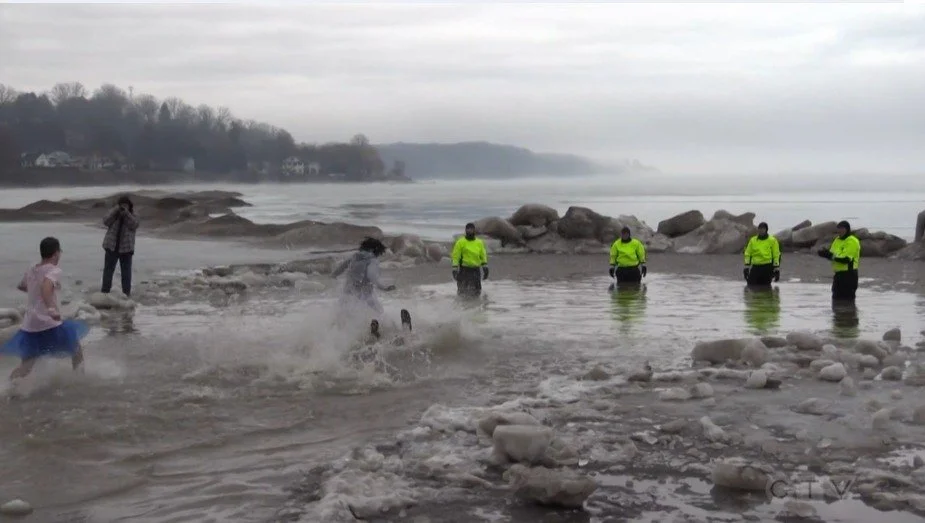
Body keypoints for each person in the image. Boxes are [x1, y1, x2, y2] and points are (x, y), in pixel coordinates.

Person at [2, 237, 89, 382]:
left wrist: (37, 292)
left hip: (30, 324)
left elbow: (22, 286)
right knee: (76, 348)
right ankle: (80, 380)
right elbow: (46, 287)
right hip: (48, 321)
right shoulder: (54, 270)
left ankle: (7, 387)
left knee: (27, 363)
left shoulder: (32, 268)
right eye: (59, 252)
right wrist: (51, 308)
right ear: (56, 253)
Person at [331, 237, 396, 315]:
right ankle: (378, 324)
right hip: (364, 294)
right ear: (377, 251)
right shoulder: (372, 260)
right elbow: (371, 275)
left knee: (344, 312)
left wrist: (333, 275)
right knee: (379, 311)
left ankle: (338, 325)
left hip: (348, 292)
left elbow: (341, 267)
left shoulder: (354, 257)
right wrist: (383, 287)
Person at [101, 195, 140, 297]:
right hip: (112, 246)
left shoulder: (133, 215)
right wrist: (116, 211)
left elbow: (135, 225)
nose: (123, 207)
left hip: (126, 248)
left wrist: (126, 214)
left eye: (125, 205)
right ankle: (105, 293)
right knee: (108, 271)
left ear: (129, 206)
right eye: (121, 205)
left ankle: (126, 294)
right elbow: (105, 221)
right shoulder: (114, 214)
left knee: (126, 273)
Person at [817, 220, 861, 302]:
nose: (839, 231)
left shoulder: (852, 241)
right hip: (838, 275)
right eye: (838, 229)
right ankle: (838, 314)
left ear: (847, 229)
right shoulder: (837, 240)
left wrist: (831, 256)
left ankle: (849, 314)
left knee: (848, 301)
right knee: (836, 299)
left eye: (842, 229)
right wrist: (825, 254)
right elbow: (833, 254)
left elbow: (846, 259)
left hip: (849, 275)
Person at [451, 223, 489, 297]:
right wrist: (454, 268)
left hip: (476, 270)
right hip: (464, 270)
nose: (470, 231)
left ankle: (476, 307)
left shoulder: (479, 243)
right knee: (462, 292)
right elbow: (456, 256)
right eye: (468, 229)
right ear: (465, 231)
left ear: (474, 231)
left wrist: (485, 268)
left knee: (477, 292)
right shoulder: (460, 242)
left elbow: (483, 255)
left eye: (472, 229)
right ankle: (462, 307)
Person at [743, 222, 781, 287]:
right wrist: (746, 267)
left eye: (763, 229)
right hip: (756, 266)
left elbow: (776, 254)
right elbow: (748, 253)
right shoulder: (753, 240)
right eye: (759, 229)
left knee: (766, 287)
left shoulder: (772, 240)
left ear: (766, 230)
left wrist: (776, 269)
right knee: (750, 286)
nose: (761, 230)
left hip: (768, 266)